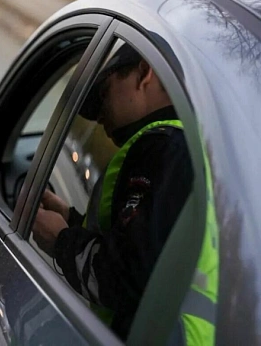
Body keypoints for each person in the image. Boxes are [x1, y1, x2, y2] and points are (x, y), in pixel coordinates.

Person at [32, 44, 194, 340]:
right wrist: (71, 217)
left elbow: (125, 279)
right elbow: (150, 247)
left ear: (144, 72)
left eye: (103, 92)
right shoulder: (186, 145)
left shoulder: (163, 148)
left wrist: (61, 242)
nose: (98, 117)